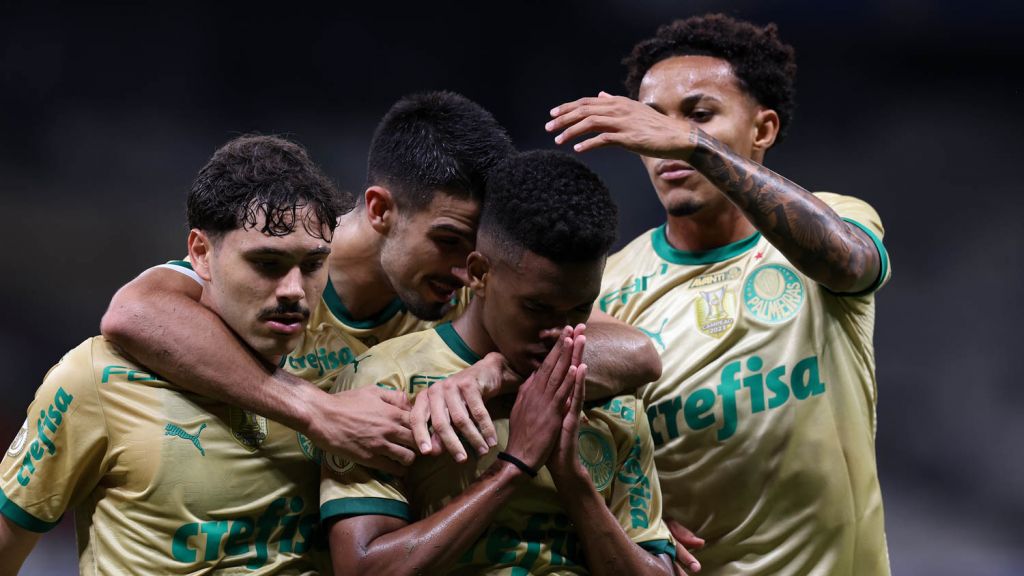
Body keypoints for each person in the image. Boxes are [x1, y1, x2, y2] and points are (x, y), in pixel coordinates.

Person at [100, 92, 661, 474]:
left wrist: (500, 371)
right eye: (448, 239)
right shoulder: (281, 271)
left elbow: (635, 354)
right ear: (381, 209)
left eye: (478, 249)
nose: (468, 268)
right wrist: (317, 411)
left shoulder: (472, 288)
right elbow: (134, 313)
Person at [546, 13, 892, 575]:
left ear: (763, 130)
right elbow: (579, 441)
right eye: (650, 121)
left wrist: (695, 145)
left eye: (700, 114)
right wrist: (637, 519)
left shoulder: (837, 220)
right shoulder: (605, 285)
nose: (665, 140)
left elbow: (850, 264)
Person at [0, 135, 349, 573]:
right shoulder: (95, 377)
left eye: (313, 265)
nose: (294, 290)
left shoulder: (345, 367)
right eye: (267, 264)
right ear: (201, 254)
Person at [320, 150, 675, 575]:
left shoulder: (607, 393)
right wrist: (514, 467)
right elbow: (362, 571)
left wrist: (575, 485)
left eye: (580, 309)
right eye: (536, 307)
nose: (560, 333)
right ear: (479, 273)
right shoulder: (386, 380)